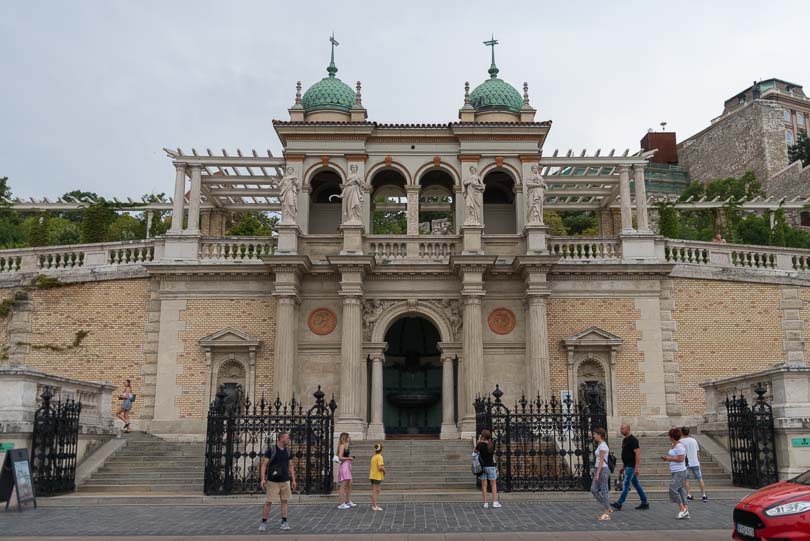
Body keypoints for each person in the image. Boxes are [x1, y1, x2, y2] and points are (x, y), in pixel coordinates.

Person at [259, 432, 296, 531]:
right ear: (281, 439)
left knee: (284, 501)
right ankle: (264, 521)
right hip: (273, 480)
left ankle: (284, 521)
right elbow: (264, 464)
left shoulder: (288, 451)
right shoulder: (272, 450)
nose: (288, 440)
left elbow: (291, 465)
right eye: (287, 438)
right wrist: (262, 479)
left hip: (285, 480)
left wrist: (293, 480)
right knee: (269, 501)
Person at [611, 423, 650, 511]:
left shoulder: (633, 440)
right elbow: (626, 455)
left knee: (625, 484)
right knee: (636, 484)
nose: (621, 430)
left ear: (628, 429)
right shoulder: (625, 440)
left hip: (631, 466)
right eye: (621, 429)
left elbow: (637, 453)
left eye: (623, 429)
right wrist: (623, 466)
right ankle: (644, 502)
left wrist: (636, 467)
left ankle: (619, 503)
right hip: (627, 465)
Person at [661, 427, 689, 519]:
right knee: (680, 490)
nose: (668, 436)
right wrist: (667, 458)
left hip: (680, 471)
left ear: (672, 436)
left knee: (672, 489)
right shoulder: (674, 444)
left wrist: (669, 458)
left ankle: (682, 509)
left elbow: (681, 459)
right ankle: (686, 509)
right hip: (675, 471)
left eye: (669, 435)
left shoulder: (679, 446)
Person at [680, 427, 708, 502]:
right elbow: (698, 452)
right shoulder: (694, 440)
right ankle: (704, 495)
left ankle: (689, 495)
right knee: (700, 478)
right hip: (695, 462)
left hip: (685, 463)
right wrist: (699, 462)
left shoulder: (680, 442)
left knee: (686, 479)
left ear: (682, 433)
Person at [475, 429, 501, 508]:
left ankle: (485, 503)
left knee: (484, 485)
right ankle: (494, 502)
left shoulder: (480, 444)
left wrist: (478, 441)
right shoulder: (491, 444)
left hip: (482, 467)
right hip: (491, 466)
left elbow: (474, 452)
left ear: (482, 436)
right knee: (493, 484)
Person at [591, 427, 612, 521]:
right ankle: (607, 506)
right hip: (598, 469)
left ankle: (607, 512)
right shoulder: (600, 445)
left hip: (602, 469)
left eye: (595, 434)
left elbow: (601, 461)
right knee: (594, 489)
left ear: (599, 435)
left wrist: (597, 473)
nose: (594, 436)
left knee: (604, 490)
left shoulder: (603, 446)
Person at [336, 432, 356, 509]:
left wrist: (349, 461)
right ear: (345, 438)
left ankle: (348, 500)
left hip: (347, 465)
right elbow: (340, 457)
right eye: (348, 437)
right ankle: (341, 503)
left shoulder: (346, 446)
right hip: (344, 466)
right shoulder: (342, 446)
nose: (349, 438)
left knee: (350, 483)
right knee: (343, 485)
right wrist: (349, 458)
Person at [369, 442, 385, 512]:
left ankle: (374, 504)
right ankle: (374, 505)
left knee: (376, 491)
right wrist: (385, 470)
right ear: (381, 449)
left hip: (372, 475)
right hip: (377, 476)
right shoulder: (379, 457)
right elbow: (380, 467)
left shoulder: (374, 456)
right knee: (376, 491)